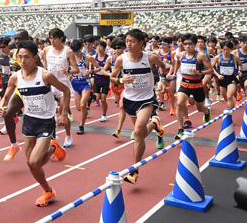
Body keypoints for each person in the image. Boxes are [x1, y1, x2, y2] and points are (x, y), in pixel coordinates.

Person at [0, 40, 70, 207]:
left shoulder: (45, 75)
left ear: (35, 58)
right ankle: (48, 190)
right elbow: (6, 96)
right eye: (20, 57)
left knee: (34, 162)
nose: (22, 61)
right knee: (30, 163)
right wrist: (3, 107)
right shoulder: (16, 77)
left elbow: (65, 91)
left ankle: (53, 147)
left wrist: (64, 113)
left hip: (46, 121)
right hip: (29, 120)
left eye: (26, 57)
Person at [110, 29, 167, 184]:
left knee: (136, 132)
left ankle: (134, 170)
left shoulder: (150, 58)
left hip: (147, 99)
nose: (128, 44)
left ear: (141, 43)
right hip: (130, 99)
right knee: (140, 134)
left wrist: (162, 81)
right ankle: (155, 124)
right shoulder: (121, 59)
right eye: (127, 41)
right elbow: (113, 77)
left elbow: (162, 67)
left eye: (132, 41)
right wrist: (122, 81)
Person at [41, 28, 78, 148]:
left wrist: (67, 71)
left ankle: (68, 135)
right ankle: (52, 137)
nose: (52, 41)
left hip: (63, 85)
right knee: (47, 112)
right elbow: (44, 63)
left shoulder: (68, 51)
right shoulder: (46, 50)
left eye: (54, 38)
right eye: (50, 38)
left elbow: (76, 69)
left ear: (61, 38)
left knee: (64, 112)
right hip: (50, 84)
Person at [172, 33, 214, 139]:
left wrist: (198, 72)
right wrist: (174, 72)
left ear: (195, 44)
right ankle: (180, 129)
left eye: (190, 44)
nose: (187, 46)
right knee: (180, 103)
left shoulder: (200, 56)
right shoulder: (180, 55)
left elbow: (210, 70)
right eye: (185, 44)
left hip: (197, 85)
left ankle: (206, 111)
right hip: (184, 84)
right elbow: (177, 63)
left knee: (199, 108)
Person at [69, 39, 96, 135]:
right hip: (75, 83)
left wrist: (91, 71)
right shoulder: (70, 58)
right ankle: (90, 97)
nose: (75, 54)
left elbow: (98, 68)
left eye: (77, 51)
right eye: (74, 51)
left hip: (85, 82)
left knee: (82, 105)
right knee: (78, 108)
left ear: (81, 48)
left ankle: (81, 126)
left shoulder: (87, 57)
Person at [213, 40, 241, 109]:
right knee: (226, 98)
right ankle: (232, 104)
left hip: (231, 78)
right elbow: (211, 67)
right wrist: (218, 75)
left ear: (231, 49)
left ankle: (230, 113)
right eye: (224, 49)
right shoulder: (218, 57)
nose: (225, 51)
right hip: (222, 78)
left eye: (227, 49)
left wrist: (239, 71)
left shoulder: (235, 57)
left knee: (229, 96)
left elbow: (240, 65)